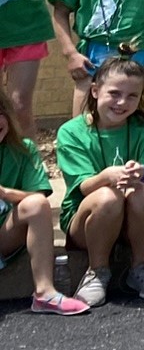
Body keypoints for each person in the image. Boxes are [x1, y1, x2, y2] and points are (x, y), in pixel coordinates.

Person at [55, 57, 144, 304]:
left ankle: (141, 268)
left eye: (132, 96)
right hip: (87, 221)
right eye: (114, 93)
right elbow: (82, 186)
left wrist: (143, 173)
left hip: (135, 220)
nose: (122, 102)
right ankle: (97, 272)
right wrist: (107, 177)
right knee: (108, 196)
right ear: (95, 91)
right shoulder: (71, 132)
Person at [0, 87, 89, 314]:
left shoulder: (22, 149)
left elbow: (37, 197)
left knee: (37, 205)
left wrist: (5, 193)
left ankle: (44, 293)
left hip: (4, 235)